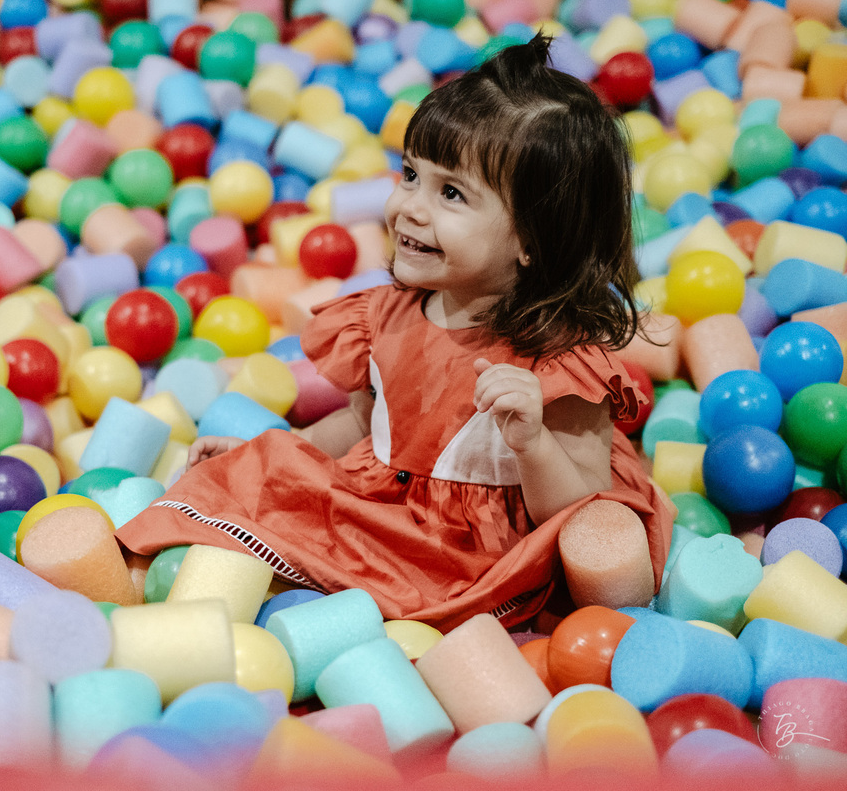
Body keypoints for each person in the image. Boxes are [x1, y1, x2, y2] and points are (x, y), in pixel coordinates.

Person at [116, 34, 673, 633]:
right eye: (410, 174)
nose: (410, 206)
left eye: (451, 193)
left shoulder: (560, 361)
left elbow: (576, 510)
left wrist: (533, 442)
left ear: (532, 241)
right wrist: (284, 453)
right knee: (251, 478)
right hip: (383, 499)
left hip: (470, 545)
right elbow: (365, 425)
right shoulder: (388, 313)